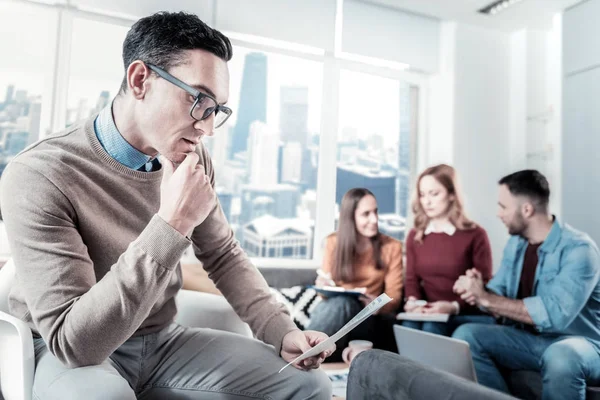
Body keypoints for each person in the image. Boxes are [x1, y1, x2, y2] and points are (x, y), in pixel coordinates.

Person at [0, 12, 334, 400]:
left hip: (160, 343)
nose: (207, 128)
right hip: (67, 352)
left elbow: (223, 255)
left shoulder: (192, 158)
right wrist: (171, 223)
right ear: (140, 80)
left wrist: (282, 330)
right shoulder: (40, 174)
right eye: (198, 100)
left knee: (308, 384)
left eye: (217, 110)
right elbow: (76, 343)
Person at [453, 170, 600, 400]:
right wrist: (477, 288)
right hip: (532, 341)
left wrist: (486, 298)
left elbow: (554, 315)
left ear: (527, 210)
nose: (497, 213)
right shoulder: (516, 243)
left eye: (503, 206)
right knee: (466, 335)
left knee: (561, 356)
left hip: (583, 344)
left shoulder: (580, 250)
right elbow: (498, 292)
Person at [307, 188, 403, 360]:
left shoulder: (391, 247)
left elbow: (394, 296)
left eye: (375, 212)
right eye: (366, 214)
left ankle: (304, 355)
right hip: (339, 318)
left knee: (342, 304)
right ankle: (312, 355)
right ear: (351, 217)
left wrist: (379, 304)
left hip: (369, 319)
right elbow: (324, 291)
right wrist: (323, 285)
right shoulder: (333, 242)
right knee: (341, 303)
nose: (374, 220)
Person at [402, 164, 494, 336]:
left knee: (432, 328)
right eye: (422, 195)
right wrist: (413, 301)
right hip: (428, 312)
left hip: (463, 312)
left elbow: (484, 285)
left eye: (434, 194)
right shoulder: (415, 235)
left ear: (452, 195)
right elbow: (411, 280)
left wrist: (453, 307)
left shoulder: (476, 235)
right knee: (408, 325)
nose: (427, 201)